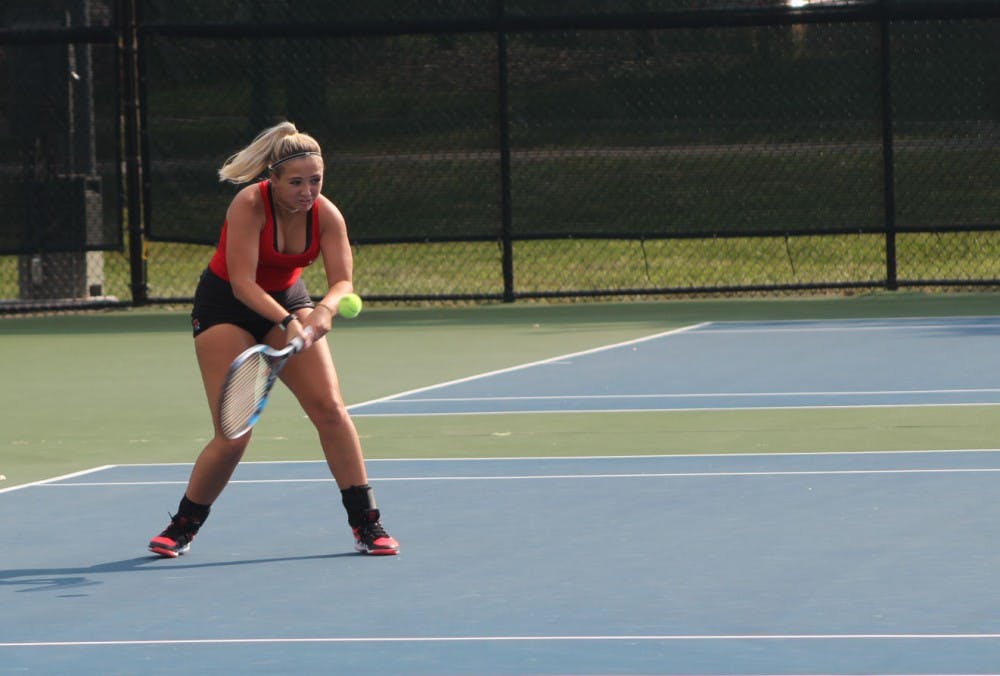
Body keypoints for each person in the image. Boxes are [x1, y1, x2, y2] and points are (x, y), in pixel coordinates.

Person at [148, 122, 399, 557]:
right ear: (273, 179)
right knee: (234, 432)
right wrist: (290, 322)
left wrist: (321, 312)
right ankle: (183, 525)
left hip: (288, 298)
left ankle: (367, 524)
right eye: (297, 182)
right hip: (225, 305)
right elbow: (244, 284)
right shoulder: (249, 204)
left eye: (316, 180)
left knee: (331, 411)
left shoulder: (326, 214)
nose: (307, 191)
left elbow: (343, 282)